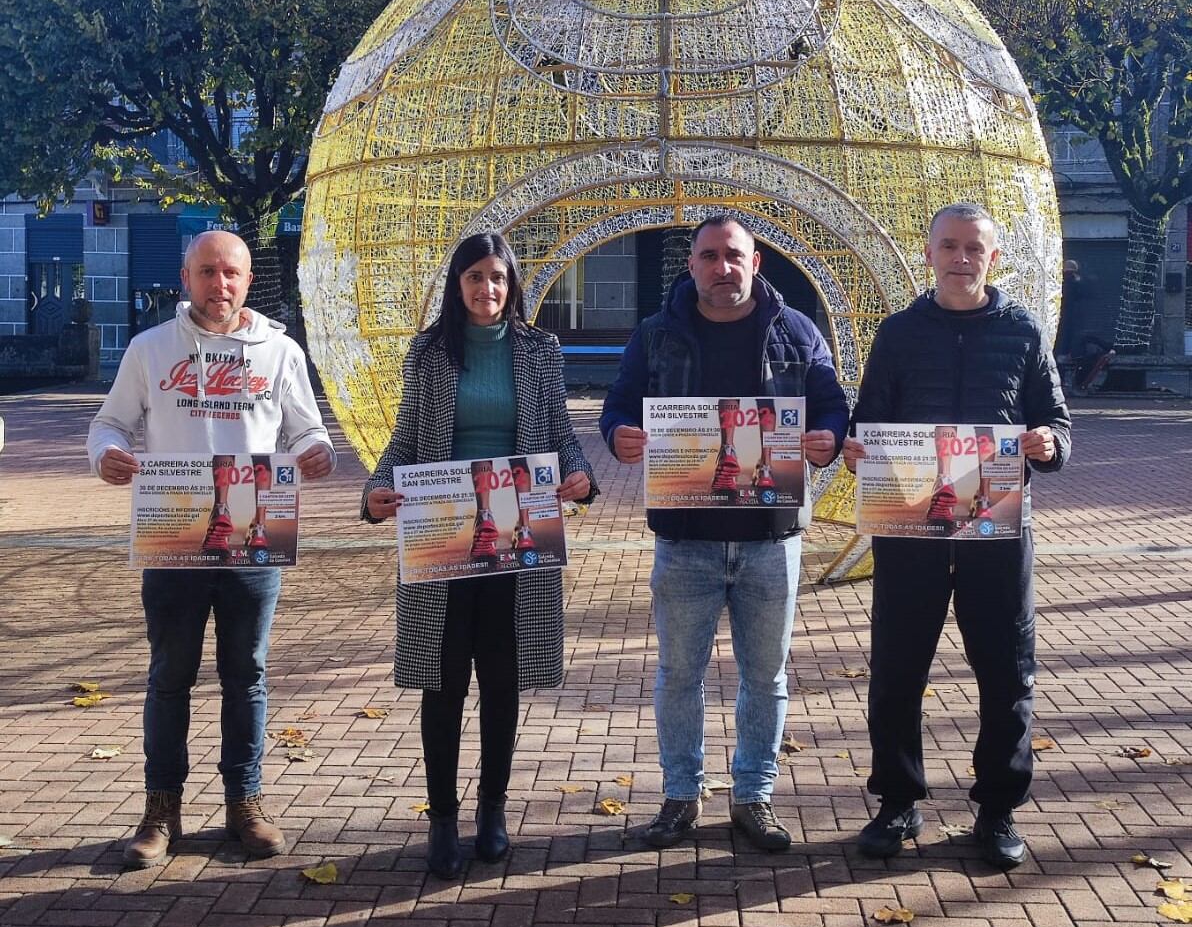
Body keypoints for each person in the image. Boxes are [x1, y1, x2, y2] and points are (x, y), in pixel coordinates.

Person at [87, 230, 336, 867]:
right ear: (185, 277)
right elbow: (110, 423)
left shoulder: (280, 352)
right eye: (207, 273)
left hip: (254, 539)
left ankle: (244, 804)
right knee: (170, 675)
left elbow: (308, 429)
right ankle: (160, 811)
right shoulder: (150, 349)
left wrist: (317, 453)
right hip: (172, 538)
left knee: (246, 675)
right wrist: (106, 455)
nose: (219, 285)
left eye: (231, 274)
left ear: (248, 281)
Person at [600, 215, 848, 852]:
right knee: (679, 673)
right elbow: (620, 404)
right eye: (708, 256)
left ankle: (753, 796)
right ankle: (681, 794)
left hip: (770, 538)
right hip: (686, 538)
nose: (721, 268)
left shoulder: (797, 332)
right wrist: (619, 435)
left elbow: (830, 403)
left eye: (732, 256)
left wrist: (825, 438)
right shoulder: (656, 335)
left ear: (755, 262)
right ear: (692, 266)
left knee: (765, 677)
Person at [843, 202, 1071, 869]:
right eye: (950, 245)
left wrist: (1048, 442)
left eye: (975, 247)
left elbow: (1057, 422)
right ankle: (897, 801)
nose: (962, 257)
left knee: (1007, 673)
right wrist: (859, 449)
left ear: (992, 257)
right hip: (911, 528)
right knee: (895, 670)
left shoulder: (1024, 332)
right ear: (930, 252)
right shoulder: (898, 333)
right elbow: (869, 417)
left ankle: (997, 810)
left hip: (998, 532)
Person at [362, 232, 597, 879]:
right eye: (474, 276)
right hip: (442, 534)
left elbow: (558, 433)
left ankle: (492, 809)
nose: (486, 289)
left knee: (500, 680)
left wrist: (580, 479)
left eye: (497, 277)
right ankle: (442, 817)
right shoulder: (430, 351)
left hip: (517, 535)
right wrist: (377, 489)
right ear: (456, 282)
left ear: (512, 282)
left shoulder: (539, 350)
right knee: (441, 683)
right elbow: (406, 437)